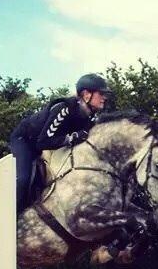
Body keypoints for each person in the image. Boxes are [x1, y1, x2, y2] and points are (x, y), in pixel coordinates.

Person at [9, 73, 113, 214]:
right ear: (86, 94)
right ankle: (14, 218)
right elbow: (43, 142)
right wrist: (73, 137)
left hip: (45, 143)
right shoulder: (65, 108)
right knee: (24, 179)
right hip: (25, 140)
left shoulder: (87, 117)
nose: (104, 98)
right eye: (101, 93)